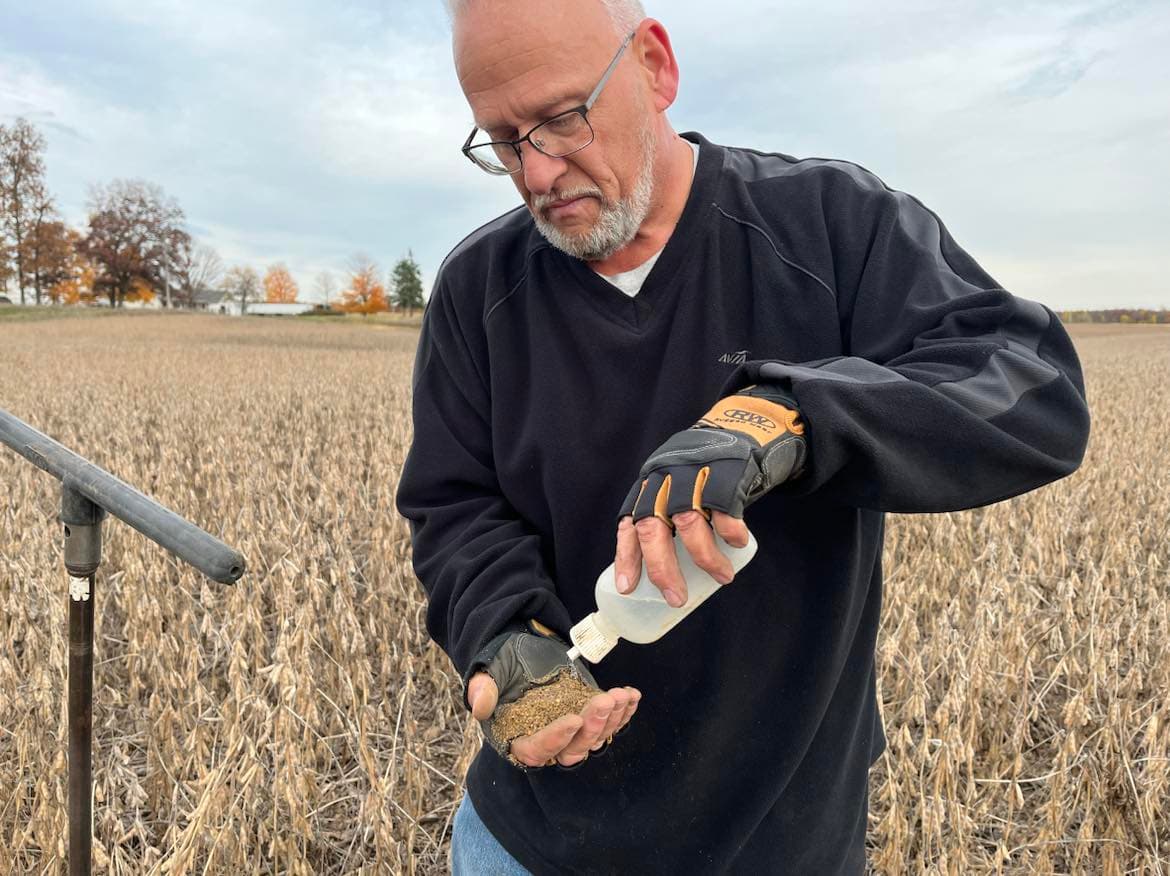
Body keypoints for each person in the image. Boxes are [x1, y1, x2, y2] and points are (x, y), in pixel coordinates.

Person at [395, 0, 1091, 872]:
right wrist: (504, 632)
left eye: (562, 118)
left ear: (653, 66)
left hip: (781, 835)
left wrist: (790, 417)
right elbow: (453, 504)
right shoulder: (478, 289)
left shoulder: (831, 226)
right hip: (534, 845)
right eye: (501, 140)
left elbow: (1033, 388)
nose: (537, 172)